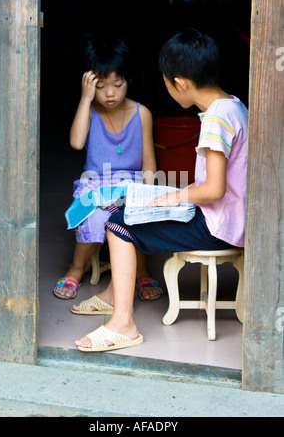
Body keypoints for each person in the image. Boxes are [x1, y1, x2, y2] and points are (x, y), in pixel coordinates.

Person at [74, 27, 248, 352]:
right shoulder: (233, 106)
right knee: (125, 212)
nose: (167, 89)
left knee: (118, 224)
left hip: (218, 227)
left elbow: (213, 189)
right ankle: (114, 295)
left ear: (180, 83)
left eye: (167, 83)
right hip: (228, 218)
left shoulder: (215, 121)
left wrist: (172, 196)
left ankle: (122, 324)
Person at [54, 34, 163, 303]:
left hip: (132, 183)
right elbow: (77, 142)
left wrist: (147, 195)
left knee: (134, 217)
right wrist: (85, 99)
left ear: (129, 81)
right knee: (94, 215)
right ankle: (76, 268)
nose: (110, 93)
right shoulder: (89, 111)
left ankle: (142, 271)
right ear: (90, 85)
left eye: (117, 84)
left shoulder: (142, 113)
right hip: (95, 183)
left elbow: (149, 161)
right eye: (101, 86)